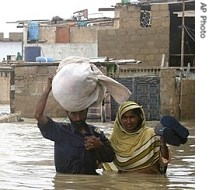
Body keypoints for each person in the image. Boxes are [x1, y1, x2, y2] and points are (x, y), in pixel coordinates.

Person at [34, 76, 115, 175]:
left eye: (81, 113)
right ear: (67, 113)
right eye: (74, 114)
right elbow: (38, 115)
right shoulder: (59, 131)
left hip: (90, 183)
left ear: (87, 110)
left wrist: (99, 146)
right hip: (65, 184)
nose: (78, 118)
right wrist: (48, 89)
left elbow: (110, 158)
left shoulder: (96, 133)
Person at [103, 101, 171, 174]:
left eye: (132, 117)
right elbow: (109, 169)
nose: (128, 121)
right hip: (123, 183)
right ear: (119, 119)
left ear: (139, 117)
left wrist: (163, 144)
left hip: (147, 182)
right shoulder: (114, 140)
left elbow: (163, 166)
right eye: (125, 118)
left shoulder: (151, 135)